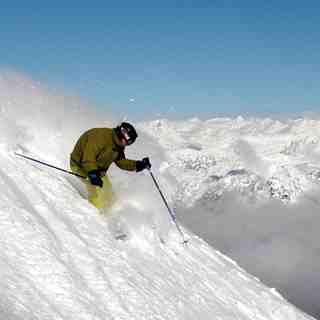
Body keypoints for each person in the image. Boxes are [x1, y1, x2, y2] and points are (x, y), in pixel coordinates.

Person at [70, 122, 151, 209]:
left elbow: (121, 161)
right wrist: (93, 175)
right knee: (97, 192)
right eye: (128, 142)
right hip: (81, 166)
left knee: (109, 194)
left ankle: (111, 215)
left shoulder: (118, 144)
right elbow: (88, 158)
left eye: (130, 143)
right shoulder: (100, 137)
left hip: (98, 170)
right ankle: (94, 216)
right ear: (122, 135)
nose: (127, 145)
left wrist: (138, 165)